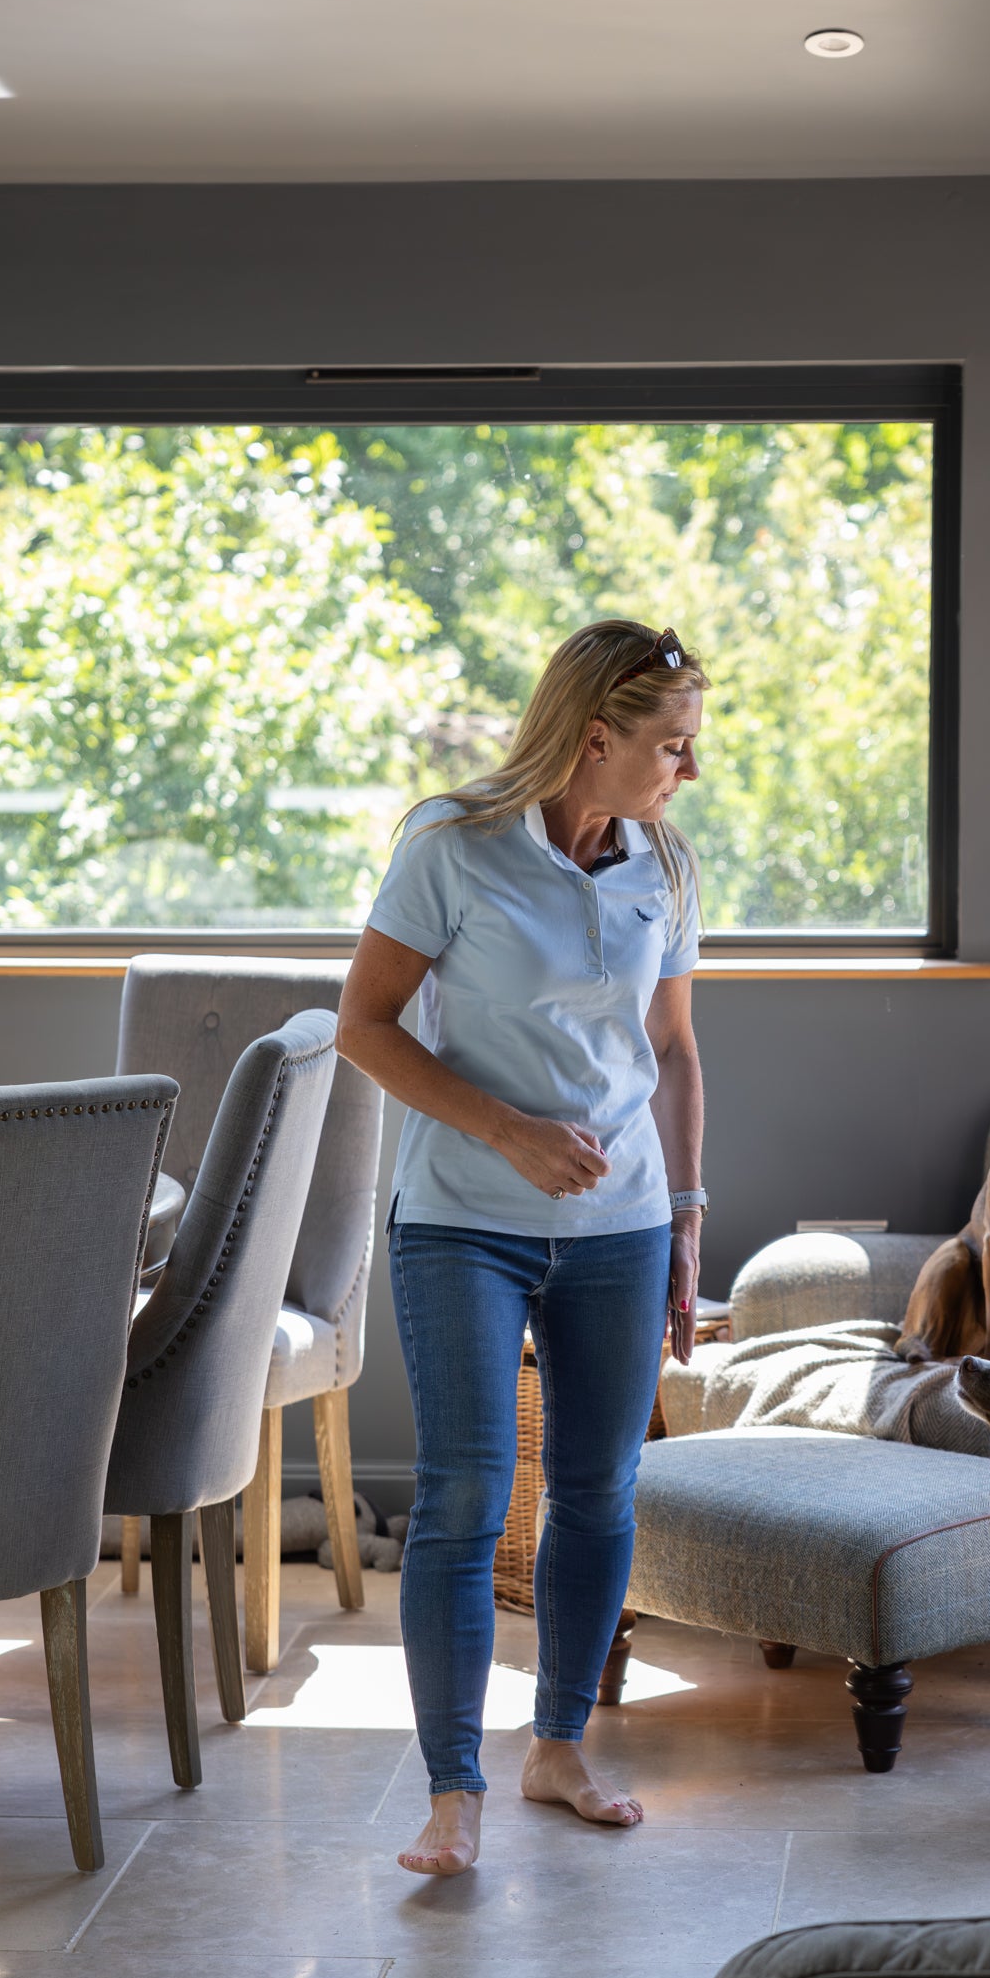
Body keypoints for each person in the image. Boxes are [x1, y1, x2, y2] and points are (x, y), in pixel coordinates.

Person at [337, 620, 708, 1876]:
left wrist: (688, 1215)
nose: (688, 769)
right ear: (594, 736)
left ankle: (556, 1750)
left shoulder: (662, 859)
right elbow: (366, 1027)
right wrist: (506, 1131)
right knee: (463, 1496)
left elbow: (672, 1052)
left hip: (623, 1224)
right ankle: (454, 1790)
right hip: (461, 1220)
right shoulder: (450, 845)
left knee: (600, 1491)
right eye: (671, 744)